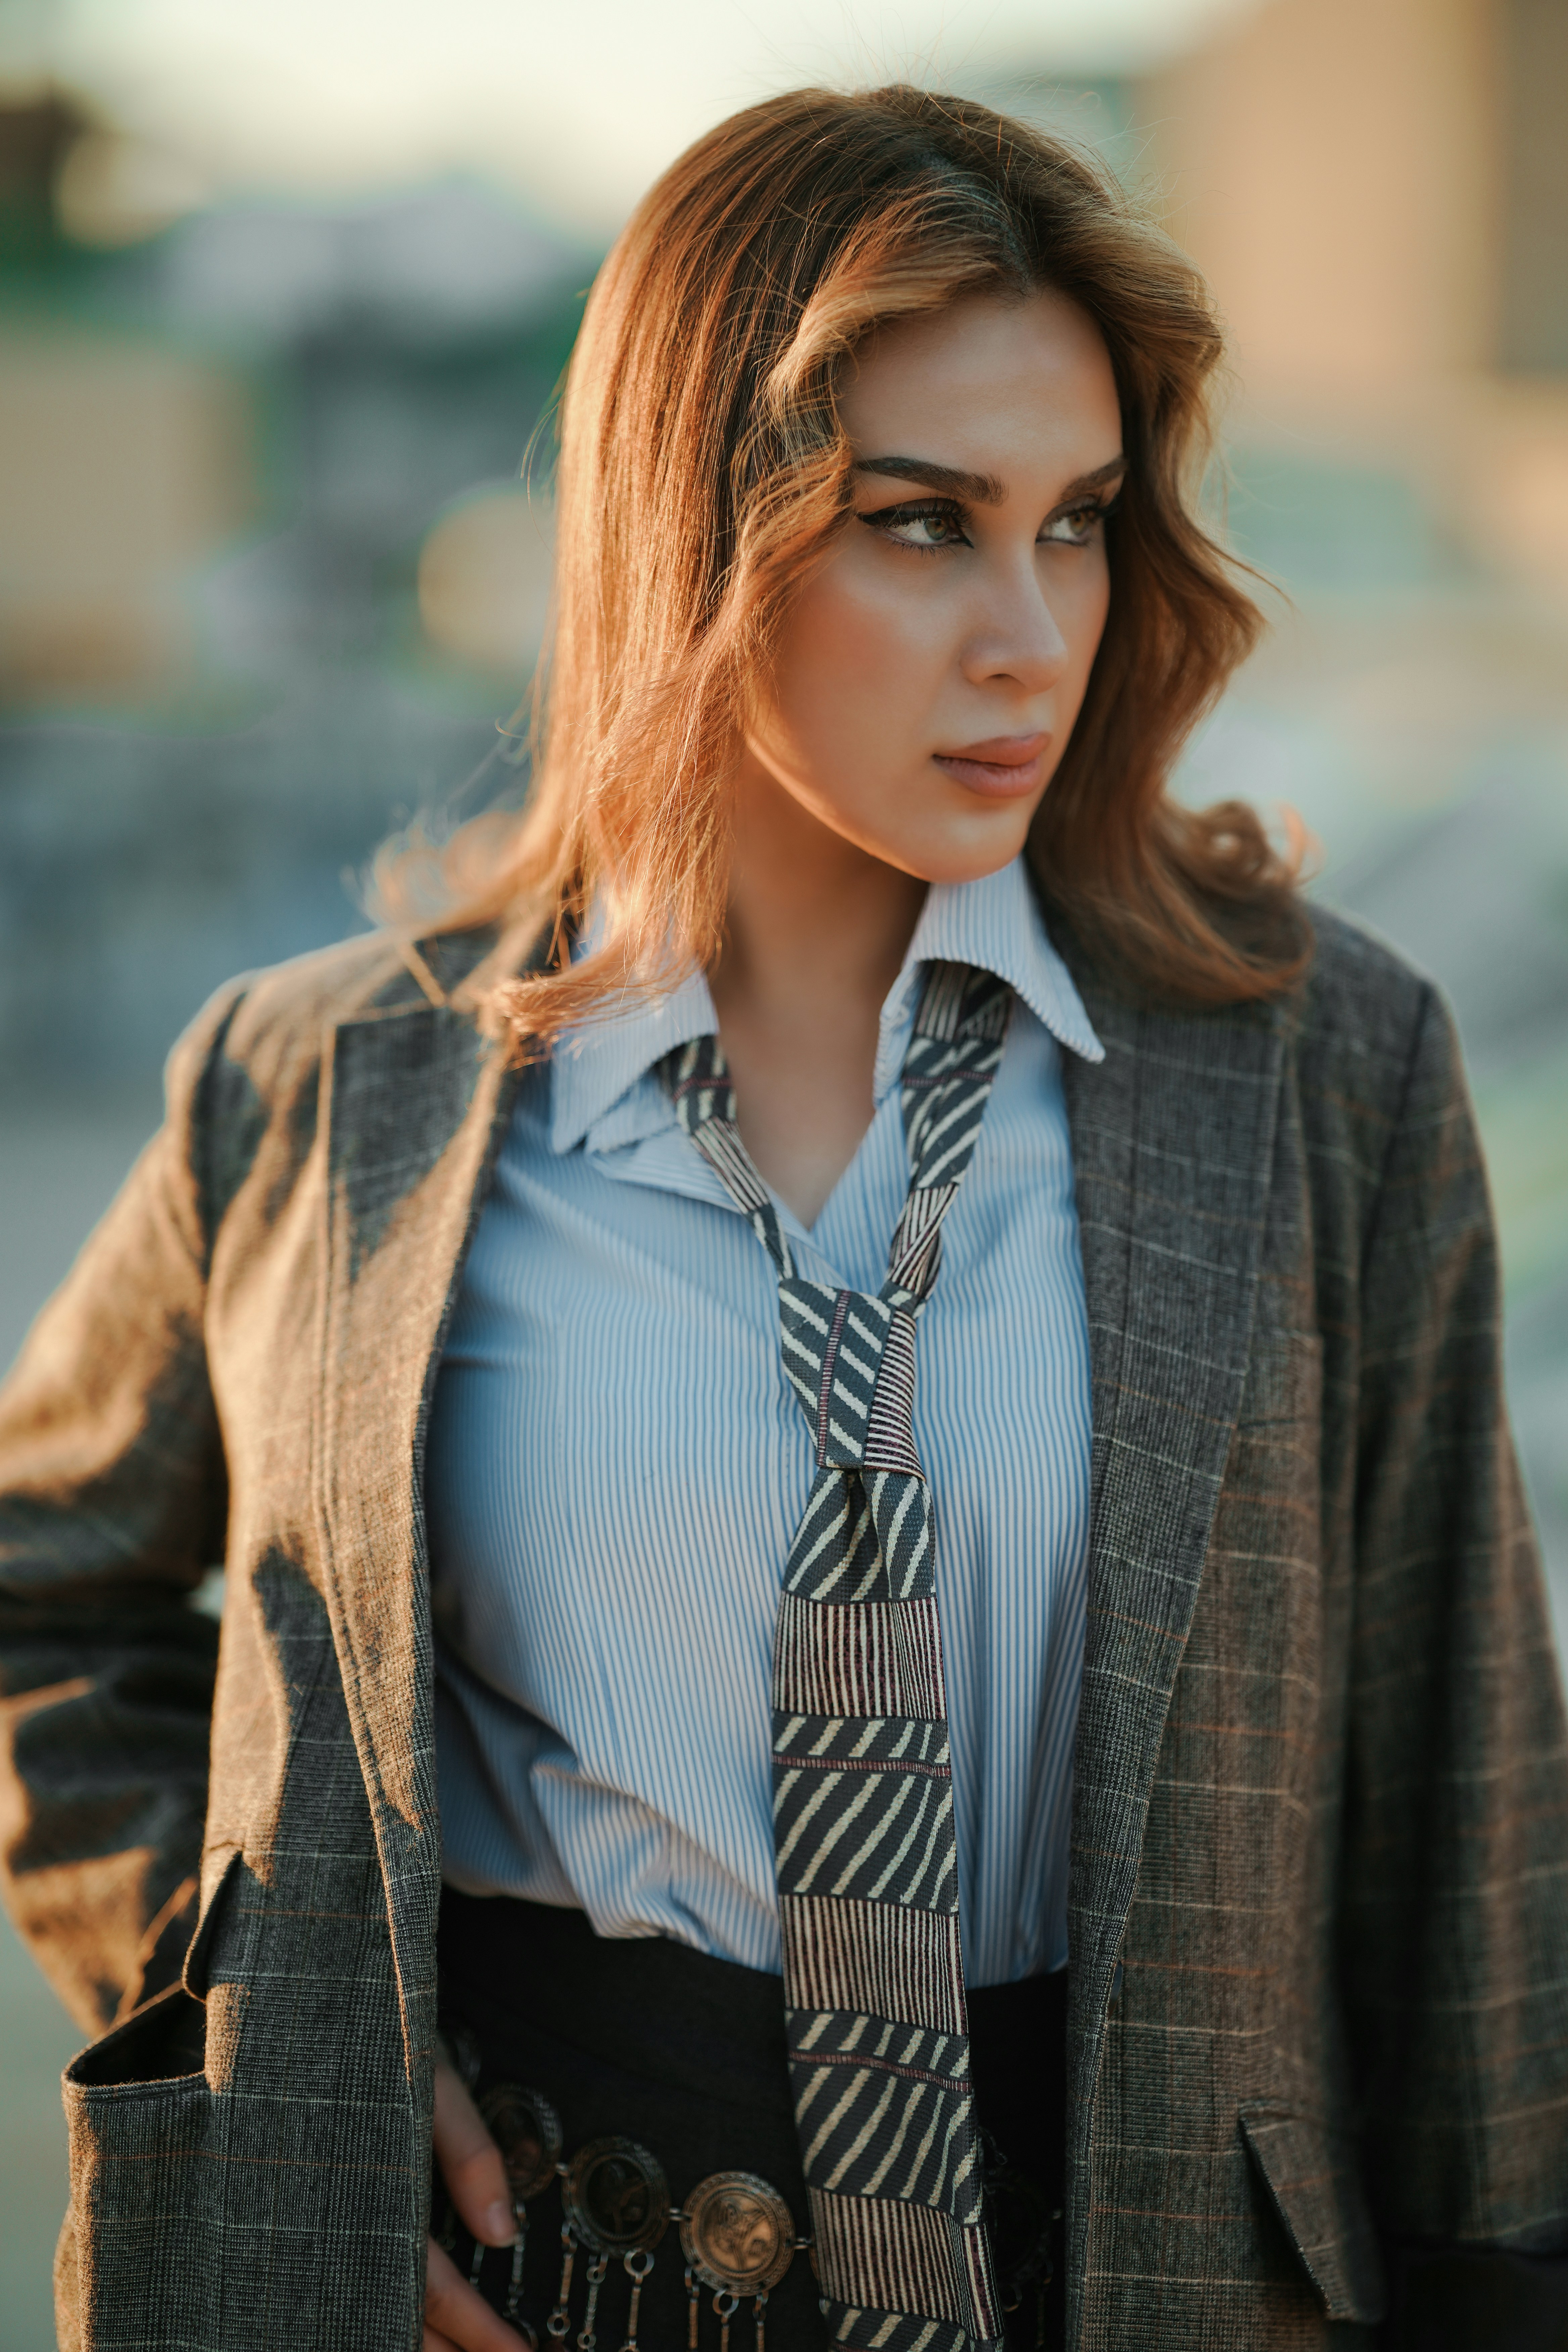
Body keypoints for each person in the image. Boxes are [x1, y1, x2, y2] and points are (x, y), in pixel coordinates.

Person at [1, 83, 1564, 2352]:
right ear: (692, 529)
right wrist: (285, 2038)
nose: (1030, 636)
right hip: (540, 2289)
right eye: (923, 524)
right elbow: (45, 1590)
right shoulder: (331, 1083)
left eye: (1078, 524)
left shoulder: (1321, 1067)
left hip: (1149, 2288)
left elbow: (1467, 1795)